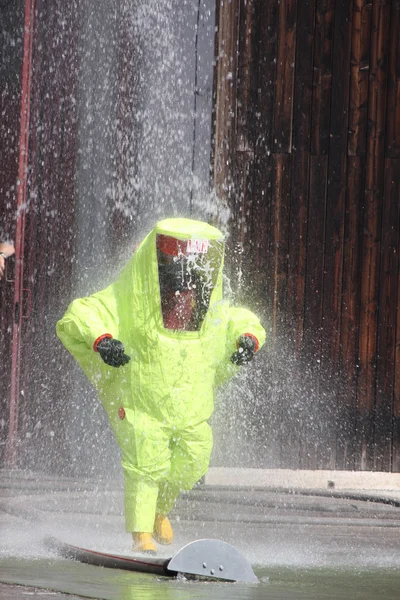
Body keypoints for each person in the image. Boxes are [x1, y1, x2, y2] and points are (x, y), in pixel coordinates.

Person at [56, 218, 265, 554]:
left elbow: (239, 319)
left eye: (190, 288)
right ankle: (141, 535)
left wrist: (247, 340)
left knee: (194, 458)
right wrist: (103, 341)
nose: (183, 295)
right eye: (176, 287)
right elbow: (83, 313)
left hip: (191, 409)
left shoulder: (208, 314)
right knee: (145, 463)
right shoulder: (131, 302)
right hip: (141, 403)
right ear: (161, 284)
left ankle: (158, 511)